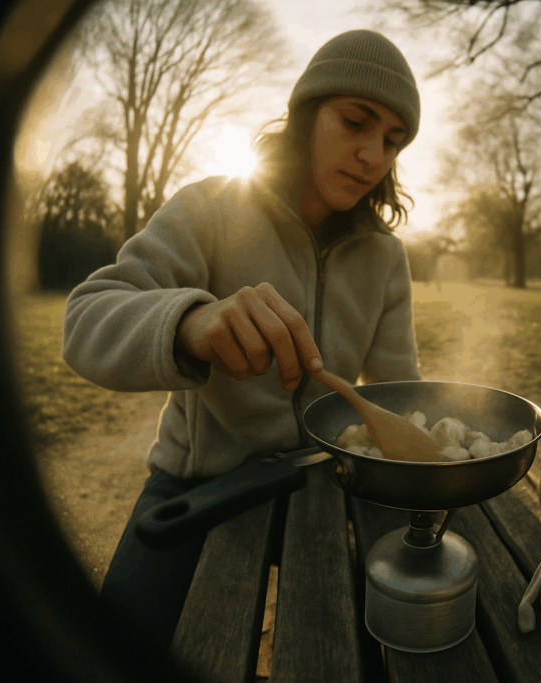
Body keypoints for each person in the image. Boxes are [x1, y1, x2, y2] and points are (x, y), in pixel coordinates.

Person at [61, 29, 422, 651]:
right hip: (198, 486)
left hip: (323, 484)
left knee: (376, 645)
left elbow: (397, 395)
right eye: (356, 122)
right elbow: (85, 320)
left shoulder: (386, 258)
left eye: (392, 141)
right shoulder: (213, 208)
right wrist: (190, 323)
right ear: (306, 116)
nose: (372, 156)